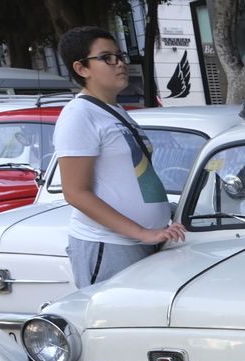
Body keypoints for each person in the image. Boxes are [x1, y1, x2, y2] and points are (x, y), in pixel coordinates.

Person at [53, 26, 181, 288]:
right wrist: (142, 232)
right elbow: (75, 192)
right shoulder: (79, 115)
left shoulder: (115, 110)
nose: (120, 63)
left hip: (145, 244)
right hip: (109, 246)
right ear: (81, 69)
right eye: (107, 58)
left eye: (120, 56)